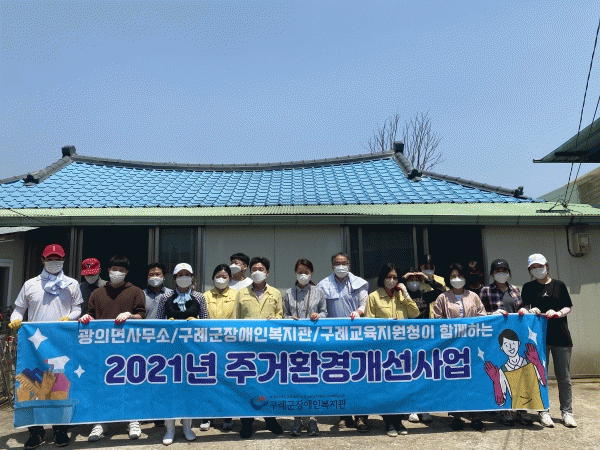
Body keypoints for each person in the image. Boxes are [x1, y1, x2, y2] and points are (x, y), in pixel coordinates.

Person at [9, 244, 83, 449]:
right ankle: (35, 431)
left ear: (64, 260)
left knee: (60, 386)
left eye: (57, 258)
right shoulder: (30, 284)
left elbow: (77, 308)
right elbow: (19, 309)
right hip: (33, 346)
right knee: (32, 386)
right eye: (50, 259)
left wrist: (70, 317)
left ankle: (60, 430)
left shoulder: (72, 284)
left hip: (61, 343)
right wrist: (15, 320)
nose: (53, 262)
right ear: (42, 260)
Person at [78, 255, 146, 442]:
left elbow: (142, 315)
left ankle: (133, 420)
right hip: (102, 348)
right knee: (102, 385)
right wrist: (87, 318)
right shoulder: (98, 293)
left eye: (121, 270)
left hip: (129, 348)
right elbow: (91, 314)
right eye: (114, 269)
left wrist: (130, 315)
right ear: (108, 271)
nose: (117, 273)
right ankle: (101, 422)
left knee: (131, 384)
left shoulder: (135, 291)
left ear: (127, 272)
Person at [521, 253, 577, 429]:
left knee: (564, 378)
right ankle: (543, 411)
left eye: (540, 266)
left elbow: (568, 306)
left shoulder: (559, 285)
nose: (537, 269)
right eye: (533, 267)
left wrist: (559, 313)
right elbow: (523, 307)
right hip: (538, 338)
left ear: (547, 266)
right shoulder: (528, 287)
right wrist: (529, 311)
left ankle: (567, 413)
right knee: (541, 376)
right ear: (529, 270)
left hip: (561, 336)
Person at [156, 263, 209, 445]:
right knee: (169, 389)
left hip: (192, 350)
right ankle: (170, 428)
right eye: (180, 274)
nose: (184, 277)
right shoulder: (165, 297)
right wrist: (167, 323)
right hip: (170, 350)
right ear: (174, 278)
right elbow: (157, 323)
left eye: (187, 274)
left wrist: (197, 322)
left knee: (189, 388)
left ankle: (187, 427)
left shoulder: (199, 297)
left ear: (192, 277)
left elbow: (207, 322)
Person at [317, 252, 370, 432]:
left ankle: (361, 417)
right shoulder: (323, 285)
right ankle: (344, 416)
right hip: (335, 339)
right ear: (332, 265)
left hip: (357, 337)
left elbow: (364, 303)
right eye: (337, 263)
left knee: (360, 377)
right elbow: (321, 309)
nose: (341, 266)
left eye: (344, 263)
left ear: (349, 264)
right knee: (340, 378)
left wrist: (359, 312)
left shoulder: (359, 283)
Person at [365, 264, 418, 436]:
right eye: (389, 276)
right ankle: (389, 422)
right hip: (383, 349)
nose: (392, 280)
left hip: (402, 348)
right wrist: (387, 324)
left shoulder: (401, 295)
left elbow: (415, 313)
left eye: (395, 277)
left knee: (401, 386)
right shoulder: (373, 297)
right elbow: (368, 321)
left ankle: (399, 421)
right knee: (386, 387)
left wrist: (406, 294)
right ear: (382, 278)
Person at [433, 262, 487, 431]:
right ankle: (456, 416)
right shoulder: (442, 298)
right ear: (448, 279)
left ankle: (476, 416)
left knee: (474, 380)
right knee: (454, 380)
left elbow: (482, 316)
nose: (457, 279)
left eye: (460, 276)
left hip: (472, 345)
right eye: (453, 276)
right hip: (452, 346)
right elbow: (437, 320)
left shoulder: (473, 296)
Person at [233, 256, 283, 439]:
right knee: (247, 385)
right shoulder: (241, 293)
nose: (257, 272)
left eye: (261, 269)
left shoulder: (276, 293)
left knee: (269, 384)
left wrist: (276, 319)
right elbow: (236, 320)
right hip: (247, 349)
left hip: (269, 348)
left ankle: (270, 419)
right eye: (254, 269)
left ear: (267, 273)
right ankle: (247, 422)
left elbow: (281, 316)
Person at [479, 259, 532, 426]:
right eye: (497, 271)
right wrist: (492, 314)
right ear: (492, 273)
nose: (501, 273)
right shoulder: (486, 290)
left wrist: (524, 310)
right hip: (496, 338)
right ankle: (505, 410)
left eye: (504, 270)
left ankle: (521, 408)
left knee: (518, 371)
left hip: (515, 337)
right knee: (501, 373)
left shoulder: (515, 289)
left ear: (509, 272)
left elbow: (522, 308)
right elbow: (480, 313)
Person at [282, 259, 327, 437]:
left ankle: (312, 419)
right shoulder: (288, 293)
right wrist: (289, 318)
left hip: (314, 343)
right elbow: (283, 314)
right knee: (296, 381)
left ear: (311, 273)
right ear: (295, 273)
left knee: (313, 380)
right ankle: (297, 419)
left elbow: (325, 312)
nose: (303, 275)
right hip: (294, 344)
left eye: (306, 272)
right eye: (300, 272)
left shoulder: (318, 292)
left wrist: (318, 315)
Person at [402, 268, 441, 424]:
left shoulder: (425, 295)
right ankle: (411, 408)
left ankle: (424, 408)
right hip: (405, 340)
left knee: (424, 374)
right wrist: (403, 279)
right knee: (409, 374)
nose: (414, 282)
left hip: (424, 340)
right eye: (411, 279)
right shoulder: (400, 295)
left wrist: (427, 278)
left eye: (416, 279)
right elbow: (392, 285)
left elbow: (441, 291)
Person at [204, 264, 238, 431]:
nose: (221, 279)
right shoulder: (205, 296)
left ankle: (227, 416)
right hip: (209, 344)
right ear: (213, 278)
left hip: (229, 345)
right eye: (218, 276)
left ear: (230, 279)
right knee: (208, 380)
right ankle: (207, 416)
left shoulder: (237, 295)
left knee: (227, 381)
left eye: (224, 277)